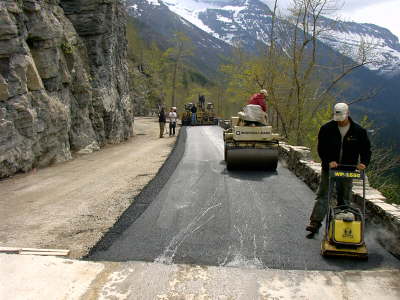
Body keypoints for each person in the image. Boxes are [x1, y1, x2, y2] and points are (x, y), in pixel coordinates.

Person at [306, 102, 371, 234]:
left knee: (345, 197)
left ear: (348, 114)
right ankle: (315, 222)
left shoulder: (359, 131)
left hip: (348, 170)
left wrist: (364, 163)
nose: (340, 122)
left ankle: (342, 227)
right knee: (323, 195)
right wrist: (329, 161)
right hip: (329, 169)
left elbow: (366, 150)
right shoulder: (326, 128)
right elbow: (321, 148)